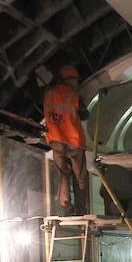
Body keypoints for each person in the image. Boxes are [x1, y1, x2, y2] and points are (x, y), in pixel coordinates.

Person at [44, 64, 90, 215]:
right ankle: (81, 209)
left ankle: (67, 206)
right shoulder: (74, 96)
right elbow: (84, 115)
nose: (77, 84)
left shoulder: (49, 93)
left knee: (64, 176)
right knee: (80, 177)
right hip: (74, 141)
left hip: (56, 140)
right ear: (70, 79)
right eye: (76, 80)